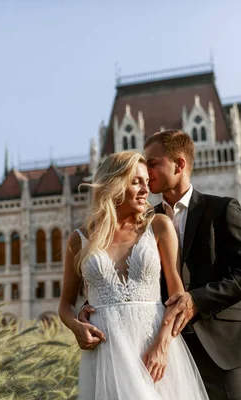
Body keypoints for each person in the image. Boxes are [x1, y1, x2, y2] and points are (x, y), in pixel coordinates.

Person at [78, 130, 241, 400]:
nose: (146, 170)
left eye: (153, 163)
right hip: (160, 349)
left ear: (179, 165)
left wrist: (196, 300)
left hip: (221, 346)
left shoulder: (221, 209)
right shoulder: (143, 221)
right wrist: (88, 309)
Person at [59, 151, 208, 399]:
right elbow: (65, 304)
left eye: (147, 183)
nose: (145, 190)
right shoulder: (79, 239)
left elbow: (177, 295)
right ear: (113, 183)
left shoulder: (159, 226)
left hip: (152, 349)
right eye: (136, 181)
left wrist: (162, 345)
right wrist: (76, 327)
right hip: (106, 353)